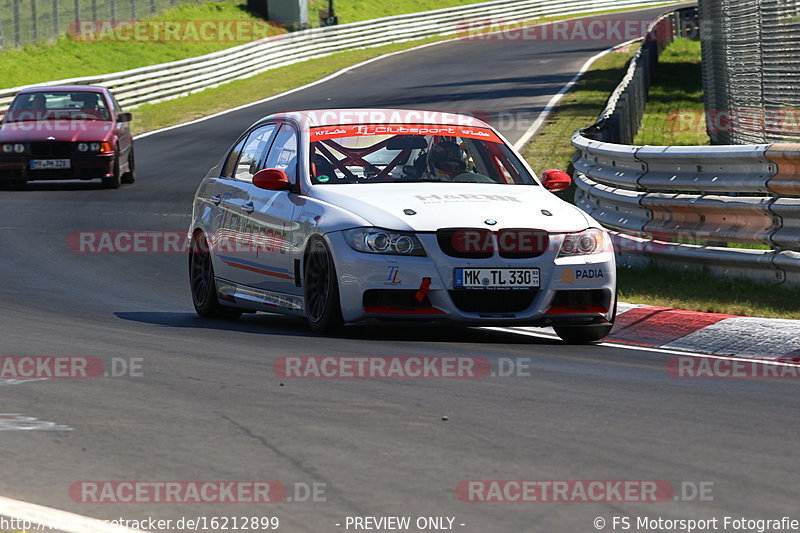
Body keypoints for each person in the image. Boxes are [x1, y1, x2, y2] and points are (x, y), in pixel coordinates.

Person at [426, 140, 494, 182]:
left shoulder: (473, 185)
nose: (453, 172)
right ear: (432, 166)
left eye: (457, 168)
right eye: (447, 166)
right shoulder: (422, 187)